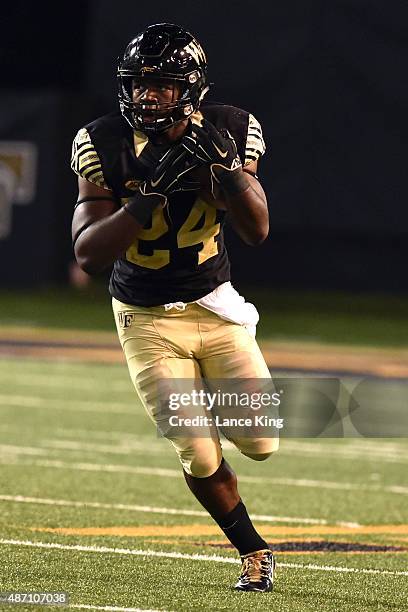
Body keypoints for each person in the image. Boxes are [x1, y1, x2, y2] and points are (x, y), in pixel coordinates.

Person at [71, 22, 278, 592]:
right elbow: (88, 254)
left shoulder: (232, 130)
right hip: (145, 314)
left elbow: (256, 229)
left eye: (162, 85)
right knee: (197, 449)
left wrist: (225, 170)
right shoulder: (104, 141)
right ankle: (253, 550)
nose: (148, 95)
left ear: (191, 88)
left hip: (214, 303)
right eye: (140, 83)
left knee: (260, 442)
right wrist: (150, 198)